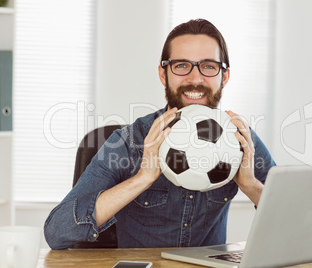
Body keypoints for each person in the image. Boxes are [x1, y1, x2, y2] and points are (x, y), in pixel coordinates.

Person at [44, 19, 276, 249]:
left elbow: (301, 223)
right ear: (163, 75)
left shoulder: (241, 141)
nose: (195, 79)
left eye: (208, 66)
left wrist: (251, 185)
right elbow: (56, 231)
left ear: (223, 77)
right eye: (182, 65)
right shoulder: (128, 142)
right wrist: (142, 178)